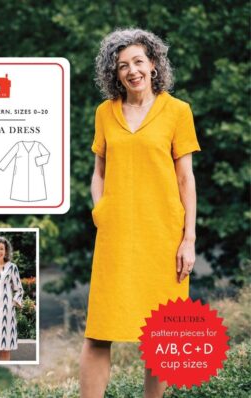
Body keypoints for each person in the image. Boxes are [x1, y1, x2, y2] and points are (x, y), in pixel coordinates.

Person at [80, 28, 200, 397]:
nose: (131, 70)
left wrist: (188, 239)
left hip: (164, 237)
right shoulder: (105, 112)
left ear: (153, 64)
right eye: (121, 66)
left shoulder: (178, 111)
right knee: (99, 332)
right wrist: (101, 210)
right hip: (115, 235)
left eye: (138, 62)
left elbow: (186, 179)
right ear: (114, 74)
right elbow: (98, 172)